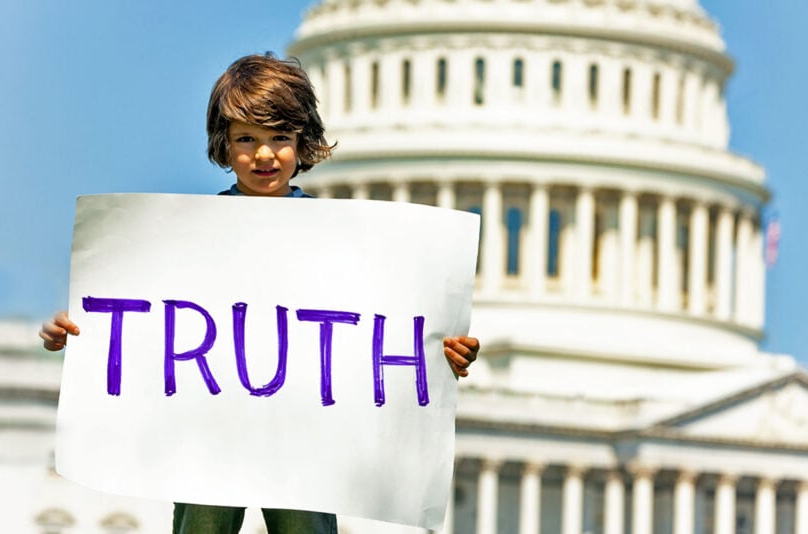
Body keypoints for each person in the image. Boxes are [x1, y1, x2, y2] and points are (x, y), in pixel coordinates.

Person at [39, 53, 480, 534]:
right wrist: (82, 332)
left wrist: (438, 354)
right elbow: (146, 321)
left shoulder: (345, 241)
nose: (264, 154)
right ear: (224, 147)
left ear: (302, 143)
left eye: (279, 139)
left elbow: (377, 331)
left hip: (302, 432)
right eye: (246, 139)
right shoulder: (181, 236)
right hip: (208, 428)